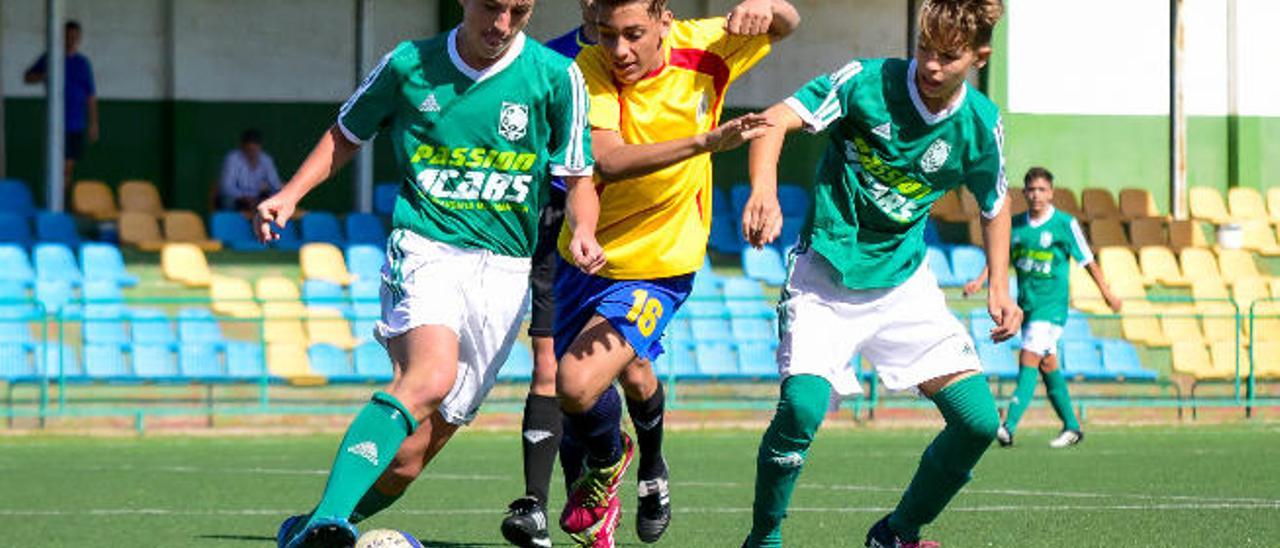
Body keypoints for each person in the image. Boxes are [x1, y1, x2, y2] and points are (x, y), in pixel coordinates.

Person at [257, 1, 601, 546]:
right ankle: (329, 522)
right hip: (426, 246)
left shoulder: (558, 76)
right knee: (429, 377)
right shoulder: (407, 64)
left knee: (408, 462)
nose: (502, 23)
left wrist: (583, 229)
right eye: (491, 5)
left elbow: (578, 176)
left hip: (506, 270)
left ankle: (313, 528)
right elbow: (347, 132)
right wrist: (291, 194)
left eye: (519, 10)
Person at [738, 0, 1015, 546]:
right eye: (925, 49)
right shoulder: (865, 82)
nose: (931, 66)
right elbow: (773, 120)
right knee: (802, 407)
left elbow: (995, 202)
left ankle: (897, 534)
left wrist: (999, 285)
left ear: (979, 57)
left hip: (903, 286)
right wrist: (764, 190)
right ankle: (764, 539)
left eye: (949, 57)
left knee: (979, 422)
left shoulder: (981, 124)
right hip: (826, 275)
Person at [554, 0, 798, 546]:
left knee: (573, 383)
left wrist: (768, 7)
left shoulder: (708, 45)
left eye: (634, 34)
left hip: (663, 261)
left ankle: (616, 466)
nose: (619, 50)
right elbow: (609, 159)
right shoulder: (589, 66)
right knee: (630, 377)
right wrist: (706, 142)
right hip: (589, 253)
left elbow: (788, 25)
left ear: (665, 21)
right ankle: (646, 475)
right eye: (608, 34)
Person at [499, 3, 643, 547]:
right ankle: (540, 508)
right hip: (551, 222)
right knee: (553, 369)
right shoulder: (550, 59)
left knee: (627, 378)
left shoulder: (651, 58)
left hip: (625, 231)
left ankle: (645, 465)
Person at [963, 167, 1122, 449]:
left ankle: (1007, 426)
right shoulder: (1016, 226)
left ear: (1051, 193)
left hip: (1052, 308)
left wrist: (1107, 293)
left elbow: (1087, 260)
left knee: (1029, 357)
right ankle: (1072, 426)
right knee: (1047, 364)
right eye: (1031, 190)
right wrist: (979, 281)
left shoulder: (1064, 224)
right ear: (1024, 193)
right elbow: (999, 258)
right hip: (1027, 307)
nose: (1036, 195)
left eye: (1042, 190)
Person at [25, 20, 98, 192]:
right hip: (56, 121)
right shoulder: (50, 57)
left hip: (76, 122)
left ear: (79, 38)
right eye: (68, 36)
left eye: (74, 36)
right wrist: (44, 76)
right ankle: (56, 198)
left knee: (68, 165)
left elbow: (91, 96)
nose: (71, 39)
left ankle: (62, 197)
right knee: (59, 163)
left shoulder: (83, 63)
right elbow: (28, 77)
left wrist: (94, 123)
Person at [217, 129, 282, 213]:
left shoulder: (266, 159)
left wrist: (272, 188)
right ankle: (230, 224)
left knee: (276, 199)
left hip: (259, 199)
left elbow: (275, 184)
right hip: (239, 200)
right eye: (249, 149)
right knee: (227, 200)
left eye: (255, 149)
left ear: (259, 147)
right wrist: (245, 197)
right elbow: (226, 187)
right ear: (242, 147)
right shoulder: (232, 159)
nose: (252, 153)